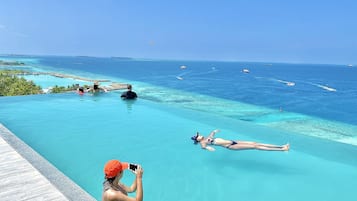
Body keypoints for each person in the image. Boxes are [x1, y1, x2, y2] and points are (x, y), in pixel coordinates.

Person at [191, 129, 289, 151]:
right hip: (231, 146)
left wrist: (214, 131)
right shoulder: (203, 142)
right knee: (255, 147)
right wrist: (208, 148)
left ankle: (281, 146)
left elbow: (211, 135)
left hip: (234, 141)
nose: (199, 135)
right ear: (198, 139)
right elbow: (203, 147)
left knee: (255, 143)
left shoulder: (208, 137)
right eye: (198, 136)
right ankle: (282, 149)